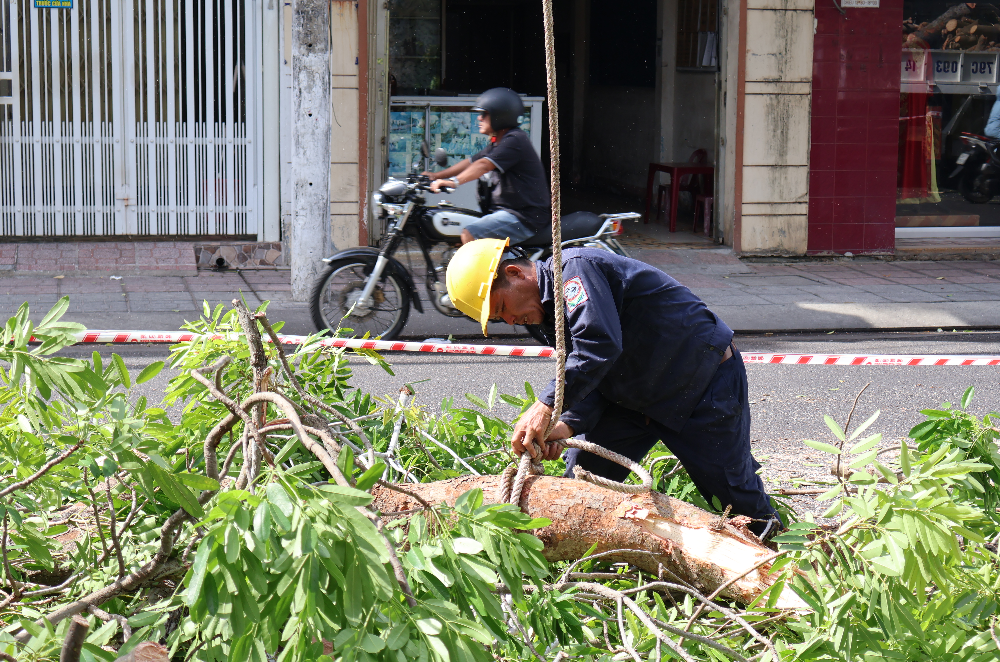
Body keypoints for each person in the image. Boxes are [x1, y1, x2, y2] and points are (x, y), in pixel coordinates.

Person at [445, 239, 783, 540]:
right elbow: (593, 373)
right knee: (584, 478)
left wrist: (545, 405)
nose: (509, 321)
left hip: (698, 383)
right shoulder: (542, 316)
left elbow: (598, 346)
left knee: (732, 493)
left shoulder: (575, 270)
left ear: (516, 273)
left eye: (502, 308)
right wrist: (565, 425)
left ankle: (781, 557)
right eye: (498, 319)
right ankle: (586, 559)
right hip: (633, 399)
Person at [424, 88, 551, 245]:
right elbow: (472, 162)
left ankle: (477, 271)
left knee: (470, 233)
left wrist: (454, 182)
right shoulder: (498, 142)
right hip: (508, 213)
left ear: (500, 116)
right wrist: (436, 176)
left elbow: (484, 165)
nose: (479, 118)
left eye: (484, 114)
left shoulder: (515, 140)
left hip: (524, 217)